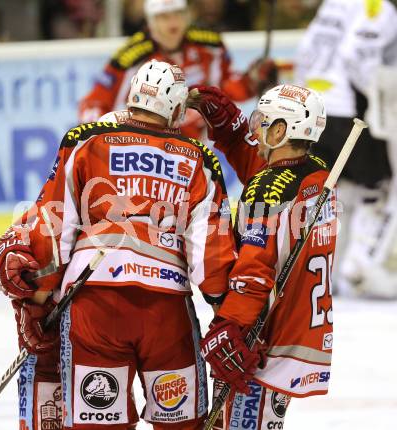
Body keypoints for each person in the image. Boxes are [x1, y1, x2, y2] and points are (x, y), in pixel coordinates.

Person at [0, 59, 236, 429]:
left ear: (133, 96)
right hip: (165, 311)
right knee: (184, 423)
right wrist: (230, 316)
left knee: (98, 422)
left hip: (94, 306)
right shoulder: (199, 158)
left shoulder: (85, 141)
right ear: (176, 108)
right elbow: (211, 256)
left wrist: (36, 302)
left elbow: (53, 228)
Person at [194, 84, 337, 429]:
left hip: (263, 338)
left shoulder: (266, 189)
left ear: (280, 131)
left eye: (264, 122)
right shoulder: (318, 171)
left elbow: (254, 270)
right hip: (302, 329)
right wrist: (230, 132)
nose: (256, 129)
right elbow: (266, 172)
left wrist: (231, 325)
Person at [295, 0, 397, 297]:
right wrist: (380, 99)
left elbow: (305, 51)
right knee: (376, 187)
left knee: (337, 191)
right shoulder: (375, 6)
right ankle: (360, 269)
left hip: (315, 109)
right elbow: (357, 57)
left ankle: (327, 276)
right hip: (347, 111)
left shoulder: (332, 4)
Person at [78, 0, 277, 139]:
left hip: (196, 149)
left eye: (177, 14)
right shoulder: (129, 58)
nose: (172, 23)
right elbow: (94, 104)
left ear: (187, 15)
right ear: (150, 21)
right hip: (144, 148)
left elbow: (227, 89)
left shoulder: (210, 45)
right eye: (163, 17)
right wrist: (97, 137)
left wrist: (253, 80)